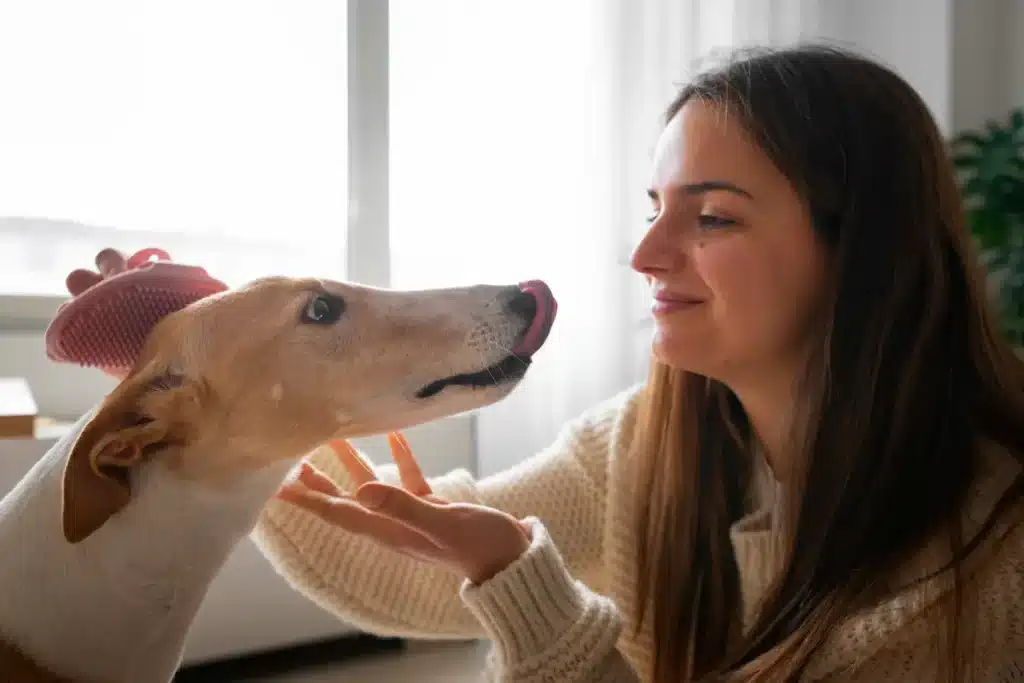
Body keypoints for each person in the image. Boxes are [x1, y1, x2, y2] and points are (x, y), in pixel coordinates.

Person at [72, 45, 1024, 682]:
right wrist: (215, 365)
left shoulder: (995, 561)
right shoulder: (644, 442)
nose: (646, 254)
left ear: (862, 250)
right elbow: (403, 558)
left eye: (714, 215)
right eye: (653, 205)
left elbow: (487, 560)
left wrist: (535, 603)